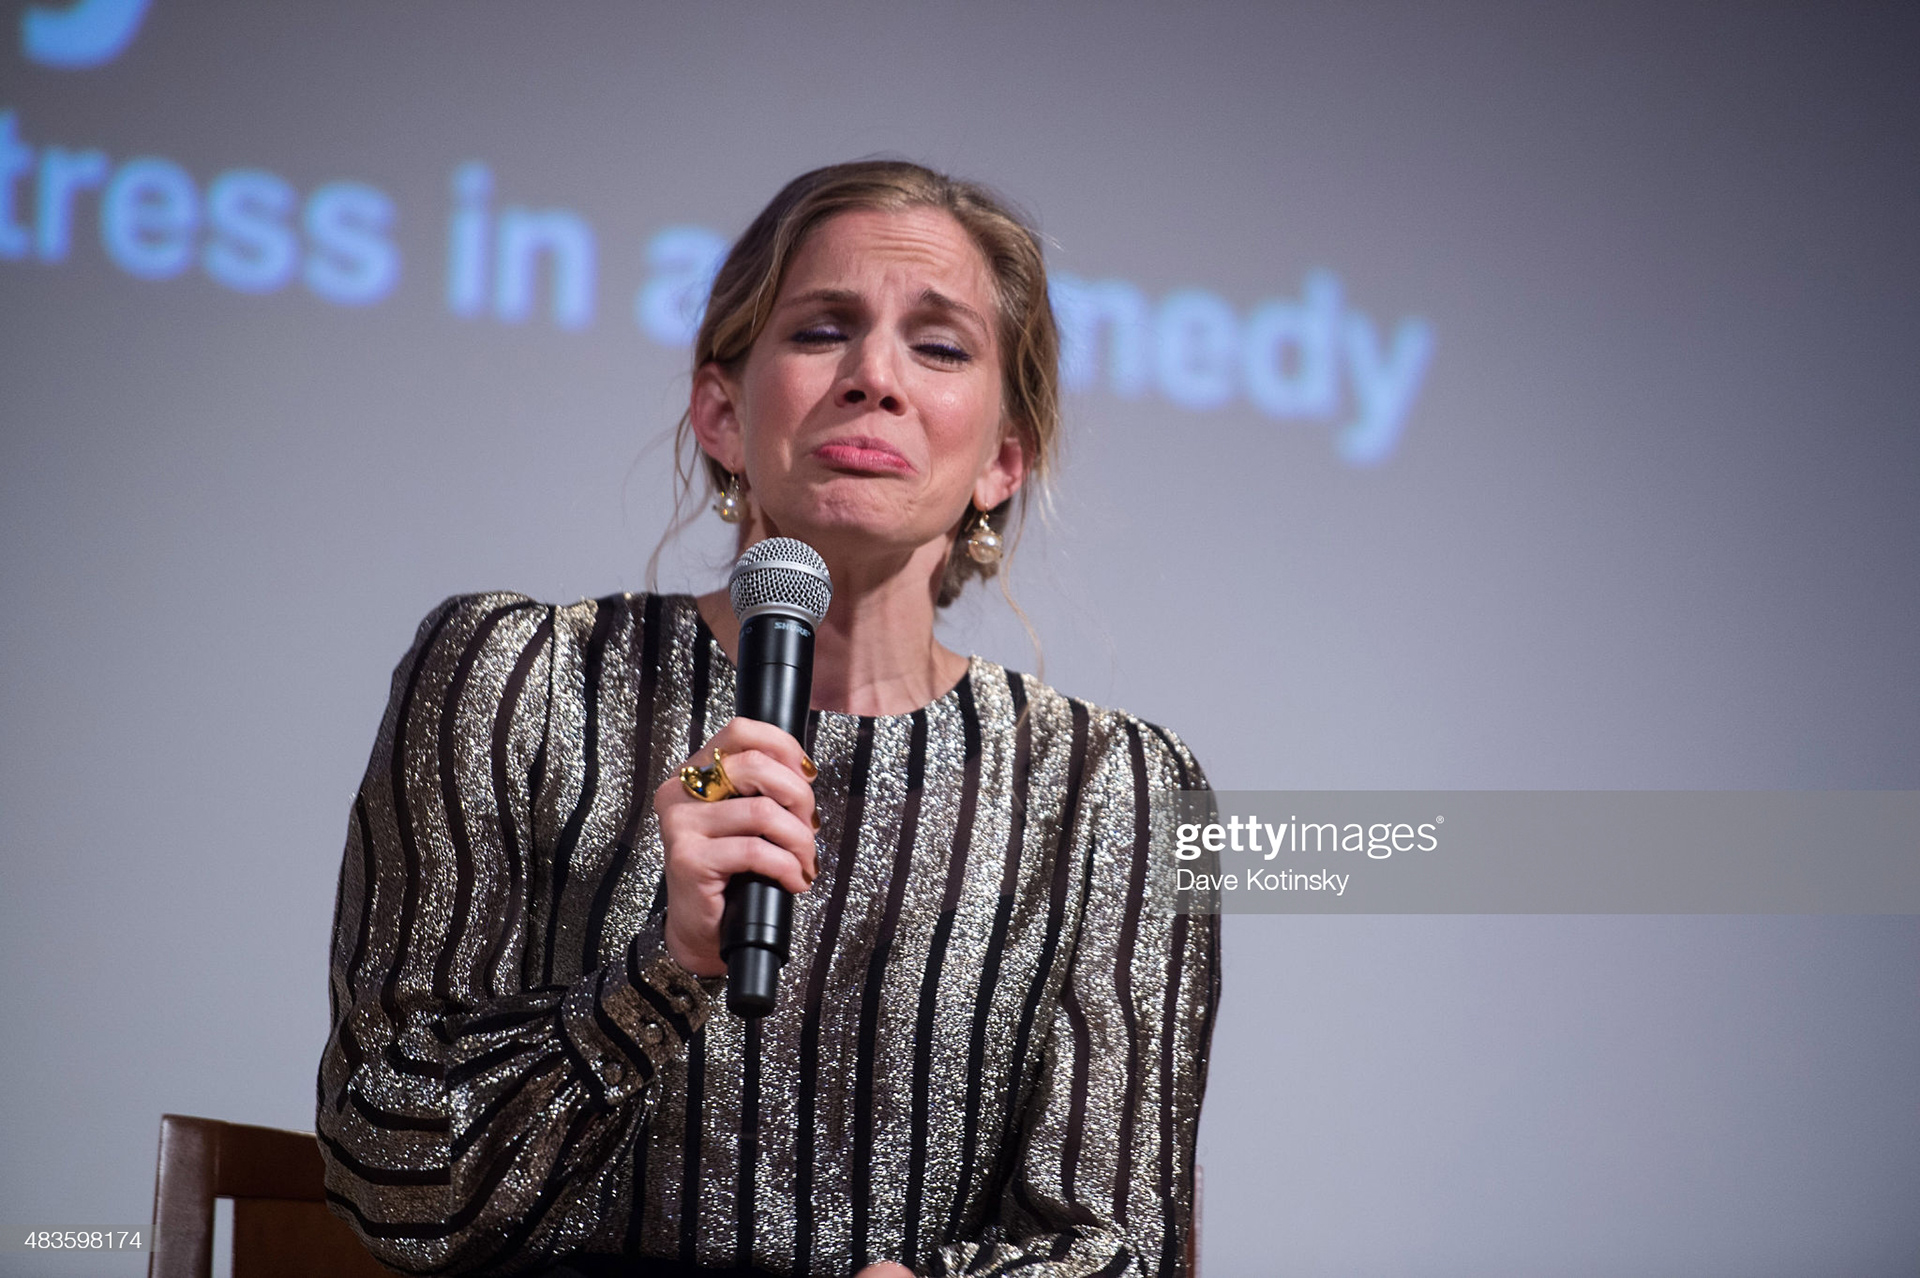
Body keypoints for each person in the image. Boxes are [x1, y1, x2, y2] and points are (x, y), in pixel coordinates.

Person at [316, 160, 1220, 1278]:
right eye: (821, 331)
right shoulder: (518, 681)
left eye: (938, 347)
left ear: (1001, 462)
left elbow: (1120, 1250)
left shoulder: (1114, 790)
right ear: (722, 413)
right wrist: (660, 974)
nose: (876, 378)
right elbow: (390, 1175)